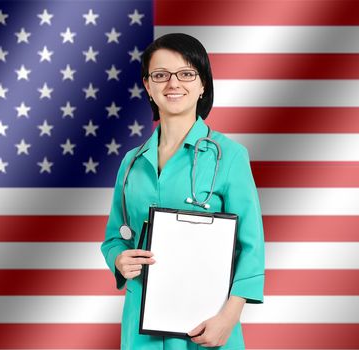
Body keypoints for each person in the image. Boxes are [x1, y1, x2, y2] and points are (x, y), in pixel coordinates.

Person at [100, 33, 264, 349]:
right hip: (141, 326)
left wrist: (228, 319)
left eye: (186, 74)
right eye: (160, 75)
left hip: (207, 324)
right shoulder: (132, 162)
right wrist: (118, 259)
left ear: (203, 84)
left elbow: (251, 247)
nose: (173, 84)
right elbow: (114, 237)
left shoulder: (229, 156)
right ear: (148, 85)